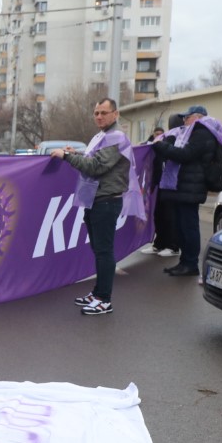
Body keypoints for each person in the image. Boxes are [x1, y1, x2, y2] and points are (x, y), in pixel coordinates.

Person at [49, 98, 144, 316]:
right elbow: (94, 158)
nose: (99, 116)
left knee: (104, 251)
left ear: (115, 114)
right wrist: (78, 153)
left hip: (106, 201)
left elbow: (96, 167)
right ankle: (97, 292)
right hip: (95, 199)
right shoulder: (102, 136)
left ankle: (104, 299)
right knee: (98, 250)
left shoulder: (116, 137)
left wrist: (67, 157)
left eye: (103, 112)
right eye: (96, 112)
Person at [150, 104, 222, 278]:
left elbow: (185, 155)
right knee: (182, 226)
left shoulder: (202, 133)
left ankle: (190, 263)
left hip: (191, 186)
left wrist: (160, 146)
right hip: (184, 186)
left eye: (186, 117)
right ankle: (184, 262)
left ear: (197, 117)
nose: (183, 120)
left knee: (188, 227)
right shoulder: (192, 132)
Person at [139, 124, 179, 259]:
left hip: (171, 186)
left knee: (170, 216)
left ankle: (173, 246)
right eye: (157, 134)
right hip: (158, 185)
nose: (159, 137)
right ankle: (159, 243)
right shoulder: (151, 146)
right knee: (158, 215)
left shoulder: (173, 142)